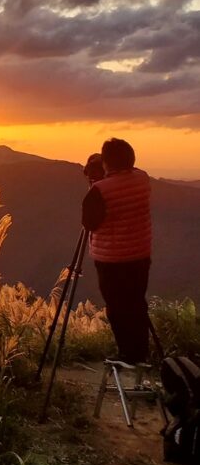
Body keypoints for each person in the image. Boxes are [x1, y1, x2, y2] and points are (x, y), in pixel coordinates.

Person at [82, 138, 152, 365]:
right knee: (136, 303)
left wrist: (97, 179)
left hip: (111, 260)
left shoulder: (99, 190)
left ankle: (126, 355)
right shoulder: (143, 179)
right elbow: (125, 175)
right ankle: (140, 352)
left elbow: (90, 223)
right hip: (140, 255)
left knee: (116, 308)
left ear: (107, 164)